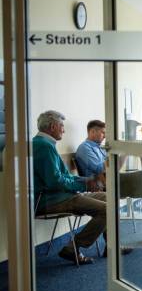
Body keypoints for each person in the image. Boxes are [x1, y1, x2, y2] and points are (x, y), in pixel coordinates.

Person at [33, 111, 130, 265]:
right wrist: (84, 183)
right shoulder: (43, 146)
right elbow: (55, 181)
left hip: (62, 195)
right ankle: (73, 247)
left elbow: (63, 177)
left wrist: (86, 181)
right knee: (108, 210)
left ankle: (111, 246)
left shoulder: (46, 144)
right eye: (62, 126)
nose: (64, 130)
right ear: (53, 126)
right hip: (52, 199)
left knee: (109, 198)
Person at [75, 120, 142, 242]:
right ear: (92, 132)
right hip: (101, 185)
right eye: (103, 133)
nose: (105, 136)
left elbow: (114, 168)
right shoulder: (85, 148)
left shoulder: (100, 148)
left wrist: (124, 152)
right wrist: (120, 153)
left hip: (112, 179)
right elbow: (102, 169)